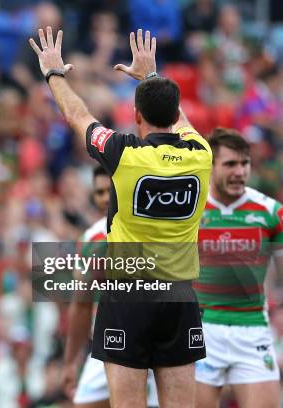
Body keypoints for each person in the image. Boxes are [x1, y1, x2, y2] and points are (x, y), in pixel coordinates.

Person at [30, 27, 212, 408]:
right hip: (179, 298)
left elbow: (76, 115)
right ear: (174, 113)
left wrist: (53, 73)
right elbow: (181, 122)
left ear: (136, 115)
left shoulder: (124, 153)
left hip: (128, 295)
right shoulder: (201, 154)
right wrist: (151, 75)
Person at [194, 129, 283, 408]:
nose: (240, 172)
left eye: (244, 163)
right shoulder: (190, 212)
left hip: (253, 331)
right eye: (230, 164)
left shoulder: (270, 212)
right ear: (210, 166)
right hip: (202, 330)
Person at [63, 166, 159, 407]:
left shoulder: (156, 231)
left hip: (157, 344)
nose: (106, 197)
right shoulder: (90, 240)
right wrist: (71, 360)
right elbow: (81, 305)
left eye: (111, 190)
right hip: (108, 343)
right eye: (100, 192)